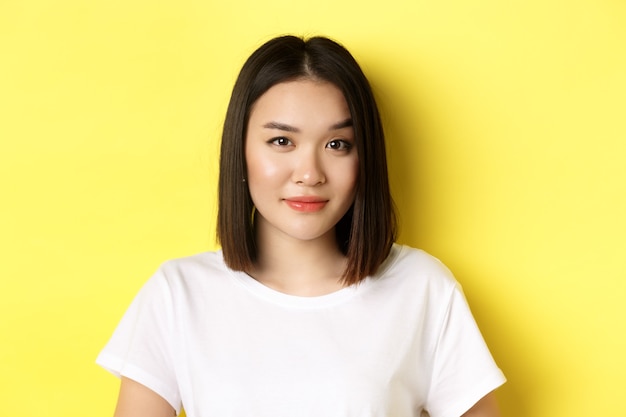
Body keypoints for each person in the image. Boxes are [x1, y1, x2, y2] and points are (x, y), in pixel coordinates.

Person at [97, 35, 506, 417]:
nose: (309, 173)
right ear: (239, 150)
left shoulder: (421, 288)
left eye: (337, 144)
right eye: (281, 141)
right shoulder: (178, 293)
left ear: (365, 159)